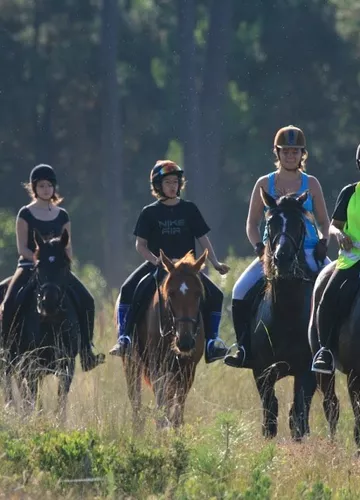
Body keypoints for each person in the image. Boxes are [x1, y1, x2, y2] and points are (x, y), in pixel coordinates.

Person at [224, 125, 331, 368]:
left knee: (333, 288)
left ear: (302, 154)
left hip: (309, 250)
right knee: (239, 291)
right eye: (286, 151)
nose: (290, 155)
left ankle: (327, 349)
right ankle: (243, 348)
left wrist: (324, 242)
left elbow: (324, 221)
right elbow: (252, 223)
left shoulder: (311, 183)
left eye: (295, 151)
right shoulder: (264, 183)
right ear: (277, 153)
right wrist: (258, 247)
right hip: (272, 253)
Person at [109, 159, 230, 363]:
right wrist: (156, 260)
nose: (173, 186)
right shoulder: (149, 212)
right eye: (168, 183)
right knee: (129, 289)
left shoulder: (189, 209)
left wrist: (216, 263)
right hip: (158, 265)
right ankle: (125, 338)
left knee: (216, 294)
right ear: (158, 186)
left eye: (175, 182)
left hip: (187, 270)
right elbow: (140, 245)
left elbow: (203, 238)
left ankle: (212, 342)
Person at [0, 164, 105, 371]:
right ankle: (7, 351)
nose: (46, 189)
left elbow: (68, 247)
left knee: (87, 300)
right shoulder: (25, 213)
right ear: (34, 188)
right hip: (30, 266)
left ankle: (86, 351)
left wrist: (60, 262)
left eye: (49, 185)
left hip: (57, 270)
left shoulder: (62, 215)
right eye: (41, 185)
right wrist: (40, 260)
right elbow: (22, 248)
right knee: (10, 302)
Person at [312, 144, 360, 374]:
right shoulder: (349, 193)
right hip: (352, 260)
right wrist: (340, 235)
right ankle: (325, 352)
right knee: (328, 296)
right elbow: (334, 225)